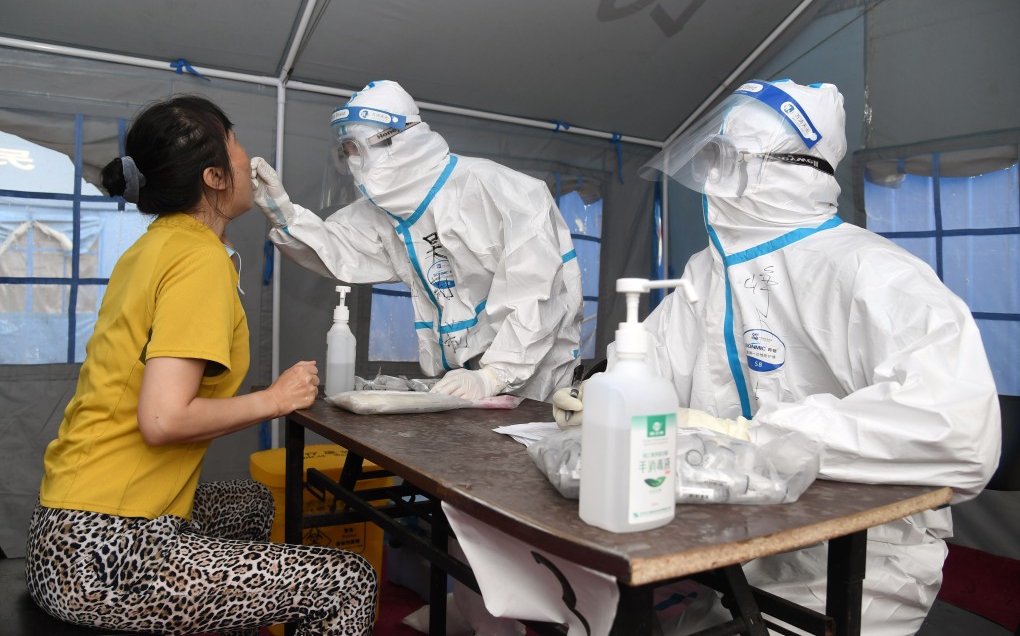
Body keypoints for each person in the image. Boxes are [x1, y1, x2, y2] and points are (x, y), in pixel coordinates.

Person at [607, 78, 1000, 635]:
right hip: (729, 538)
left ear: (788, 170)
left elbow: (959, 434)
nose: (713, 181)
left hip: (856, 555)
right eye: (711, 160)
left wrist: (755, 438)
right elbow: (650, 366)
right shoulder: (708, 271)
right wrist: (603, 390)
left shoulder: (873, 273)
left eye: (730, 161)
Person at [26, 96, 377, 635]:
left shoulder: (158, 244)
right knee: (346, 582)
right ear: (214, 177)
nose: (248, 160)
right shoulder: (198, 262)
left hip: (66, 527)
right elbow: (163, 420)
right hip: (107, 552)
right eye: (237, 147)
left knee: (249, 501)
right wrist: (276, 399)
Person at [251, 79, 583, 402]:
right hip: (465, 383)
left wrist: (495, 375)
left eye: (356, 148)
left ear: (395, 141)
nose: (352, 161)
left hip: (535, 387)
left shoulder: (503, 191)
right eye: (346, 151)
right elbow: (341, 248)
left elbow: (538, 295)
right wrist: (286, 215)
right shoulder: (390, 210)